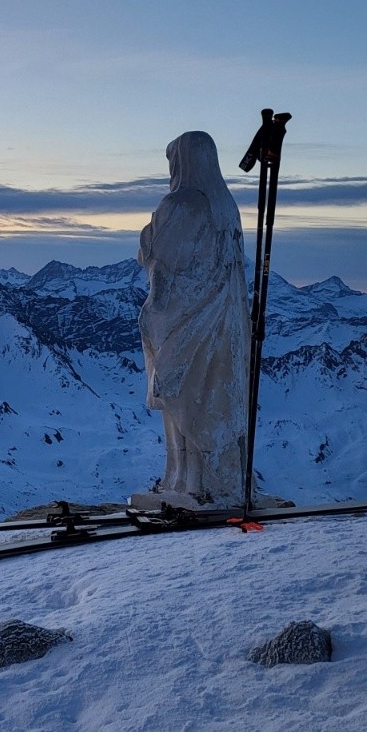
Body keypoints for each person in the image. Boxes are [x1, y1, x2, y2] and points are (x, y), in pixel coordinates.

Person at [135, 131, 249, 508]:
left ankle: (182, 481)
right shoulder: (225, 207)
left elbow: (161, 264)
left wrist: (153, 308)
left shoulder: (180, 204)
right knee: (207, 397)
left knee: (177, 395)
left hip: (179, 319)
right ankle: (206, 481)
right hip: (224, 323)